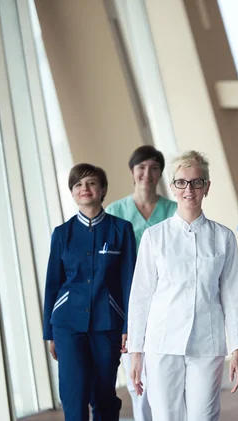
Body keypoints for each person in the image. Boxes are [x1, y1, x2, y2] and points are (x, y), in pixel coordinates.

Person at [127, 150, 238, 421]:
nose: (189, 189)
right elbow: (140, 297)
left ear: (207, 187)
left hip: (207, 344)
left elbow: (234, 297)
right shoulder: (154, 237)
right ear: (172, 187)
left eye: (196, 182)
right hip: (162, 343)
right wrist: (136, 353)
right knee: (165, 417)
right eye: (182, 182)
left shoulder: (223, 238)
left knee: (203, 417)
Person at [43, 163, 136, 421]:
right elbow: (53, 283)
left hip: (107, 324)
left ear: (103, 189)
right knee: (74, 393)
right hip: (67, 325)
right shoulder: (62, 234)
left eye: (91, 183)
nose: (85, 188)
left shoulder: (121, 230)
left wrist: (129, 325)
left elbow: (129, 281)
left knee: (104, 393)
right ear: (72, 192)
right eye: (78, 184)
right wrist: (49, 333)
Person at [104, 145, 177, 421]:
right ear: (132, 171)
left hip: (167, 301)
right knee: (137, 381)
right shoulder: (115, 211)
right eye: (142, 167)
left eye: (154, 167)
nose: (147, 173)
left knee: (164, 378)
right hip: (129, 303)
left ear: (160, 173)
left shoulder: (173, 210)